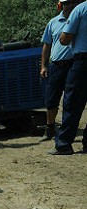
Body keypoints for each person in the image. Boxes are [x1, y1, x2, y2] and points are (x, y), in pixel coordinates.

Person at [51, 0, 87, 155]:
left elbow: (65, 39)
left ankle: (64, 143)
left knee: (72, 102)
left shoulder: (80, 9)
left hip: (82, 61)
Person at [40, 0, 76, 142]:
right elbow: (46, 45)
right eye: (66, 3)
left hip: (73, 64)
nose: (69, 6)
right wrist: (43, 66)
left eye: (71, 3)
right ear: (60, 5)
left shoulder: (78, 19)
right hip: (56, 65)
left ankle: (68, 129)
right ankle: (50, 128)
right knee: (51, 98)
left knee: (71, 99)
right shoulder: (53, 23)